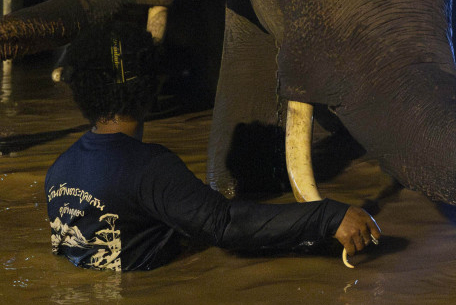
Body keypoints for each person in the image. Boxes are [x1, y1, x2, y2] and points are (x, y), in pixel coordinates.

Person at [46, 19, 381, 271]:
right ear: (149, 88)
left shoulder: (57, 172)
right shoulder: (150, 168)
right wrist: (329, 216)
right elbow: (226, 224)